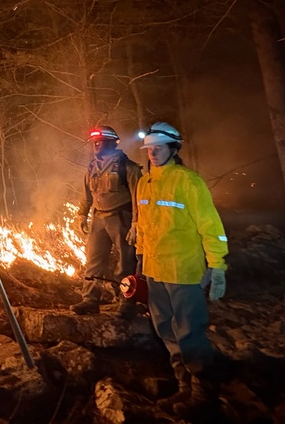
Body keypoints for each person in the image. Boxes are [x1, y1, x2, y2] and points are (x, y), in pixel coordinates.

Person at [134, 121, 228, 418]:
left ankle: (203, 393)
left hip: (183, 271)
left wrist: (217, 265)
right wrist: (140, 259)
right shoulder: (144, 182)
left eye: (159, 148)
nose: (152, 153)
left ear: (173, 149)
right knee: (165, 329)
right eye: (149, 149)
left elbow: (211, 226)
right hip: (154, 270)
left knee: (189, 331)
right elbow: (143, 226)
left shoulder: (188, 181)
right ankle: (183, 386)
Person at [72, 125, 143, 319]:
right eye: (94, 142)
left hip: (121, 217)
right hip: (99, 219)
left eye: (100, 142)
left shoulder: (128, 168)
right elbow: (87, 195)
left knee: (126, 262)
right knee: (93, 260)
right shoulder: (92, 167)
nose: (96, 145)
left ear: (112, 143)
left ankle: (126, 301)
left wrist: (136, 224)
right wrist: (81, 215)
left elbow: (138, 199)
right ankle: (90, 300)